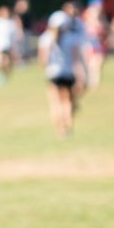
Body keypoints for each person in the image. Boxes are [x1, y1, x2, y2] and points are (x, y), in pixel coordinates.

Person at [39, 8, 86, 137]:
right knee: (67, 102)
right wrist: (81, 76)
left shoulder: (45, 38)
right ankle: (68, 127)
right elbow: (77, 61)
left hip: (53, 74)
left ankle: (60, 129)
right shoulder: (71, 38)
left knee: (55, 102)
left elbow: (43, 60)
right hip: (68, 73)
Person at [0, 5, 21, 86]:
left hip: (8, 44)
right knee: (1, 60)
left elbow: (13, 35)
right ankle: (2, 75)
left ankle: (6, 75)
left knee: (8, 61)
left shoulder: (10, 23)